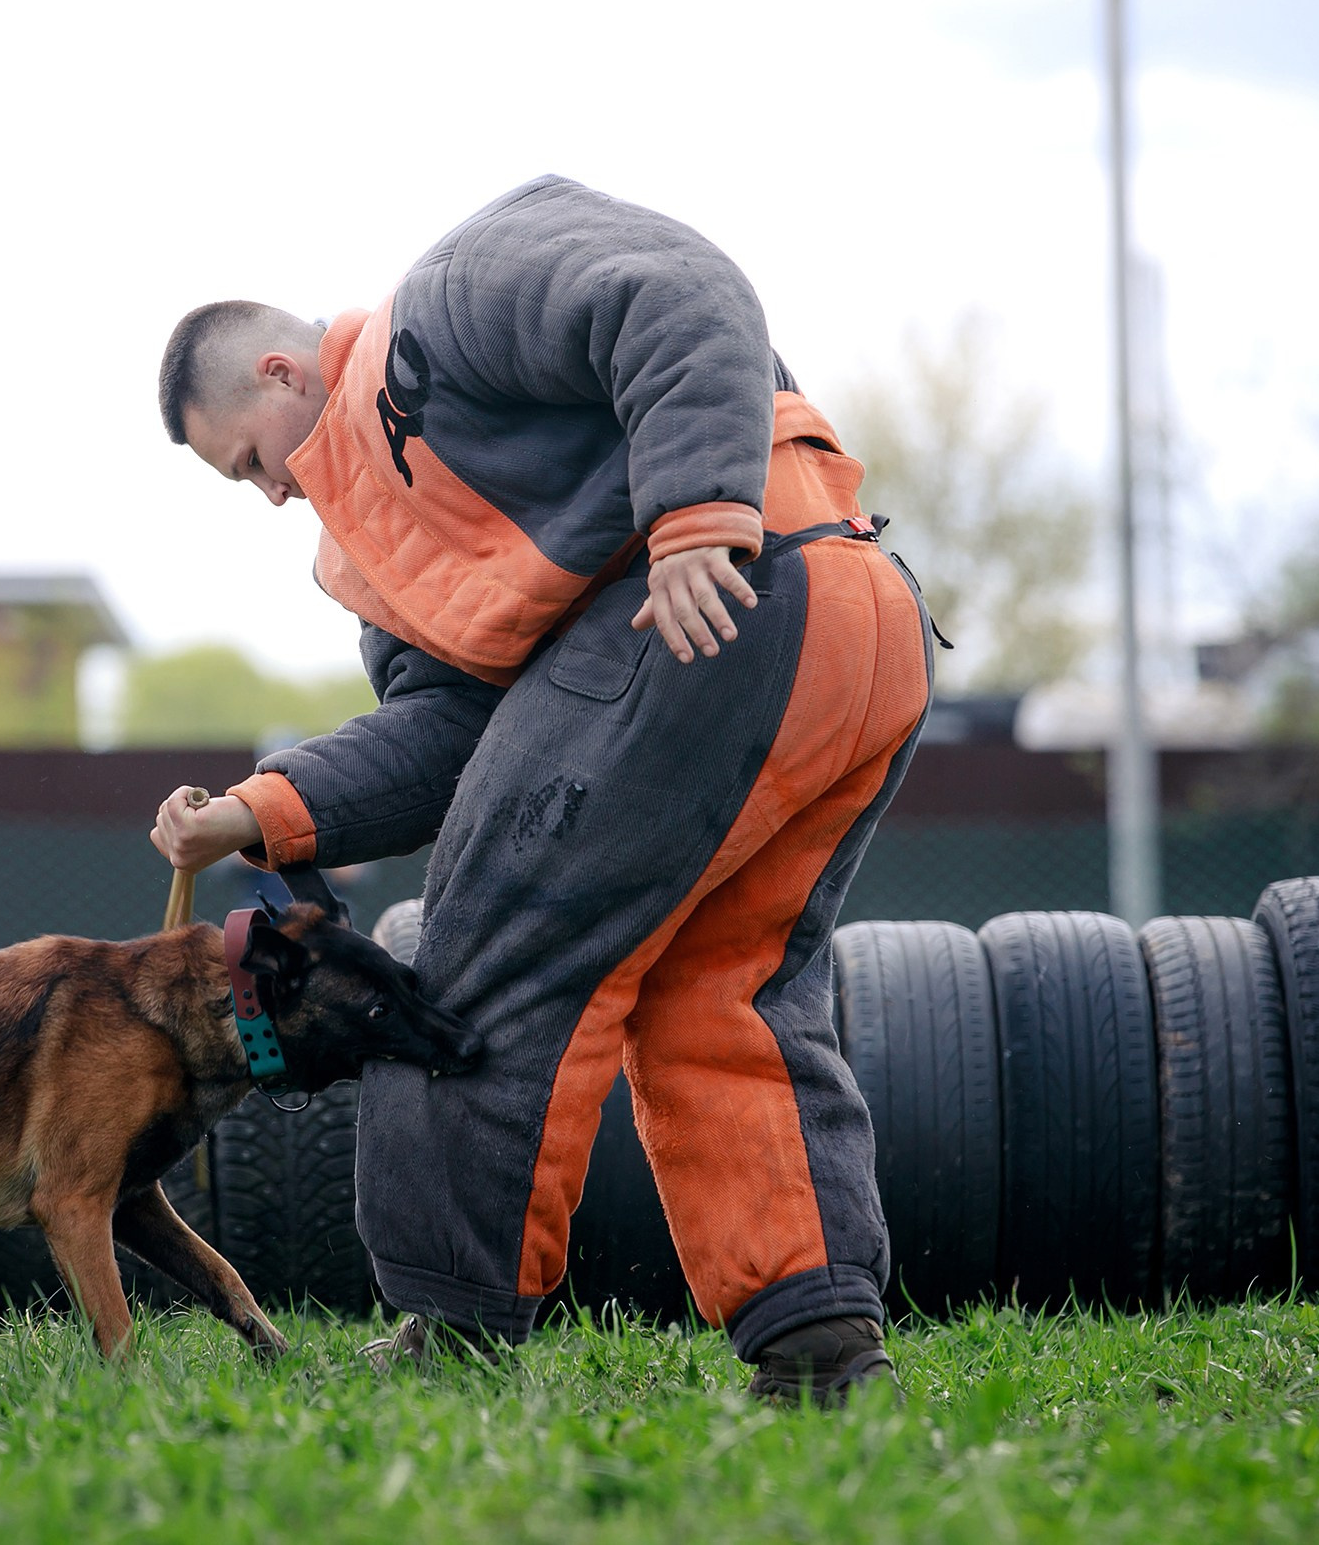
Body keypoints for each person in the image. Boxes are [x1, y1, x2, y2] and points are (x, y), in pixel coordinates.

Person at [148, 175, 933, 1405]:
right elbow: (453, 732)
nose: (272, 495)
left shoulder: (444, 310)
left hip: (715, 602)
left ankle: (448, 1331)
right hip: (849, 625)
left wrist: (689, 522)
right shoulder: (369, 563)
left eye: (252, 461)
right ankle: (820, 1345)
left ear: (285, 376)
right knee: (718, 996)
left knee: (474, 956)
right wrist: (269, 807)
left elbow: (683, 293)